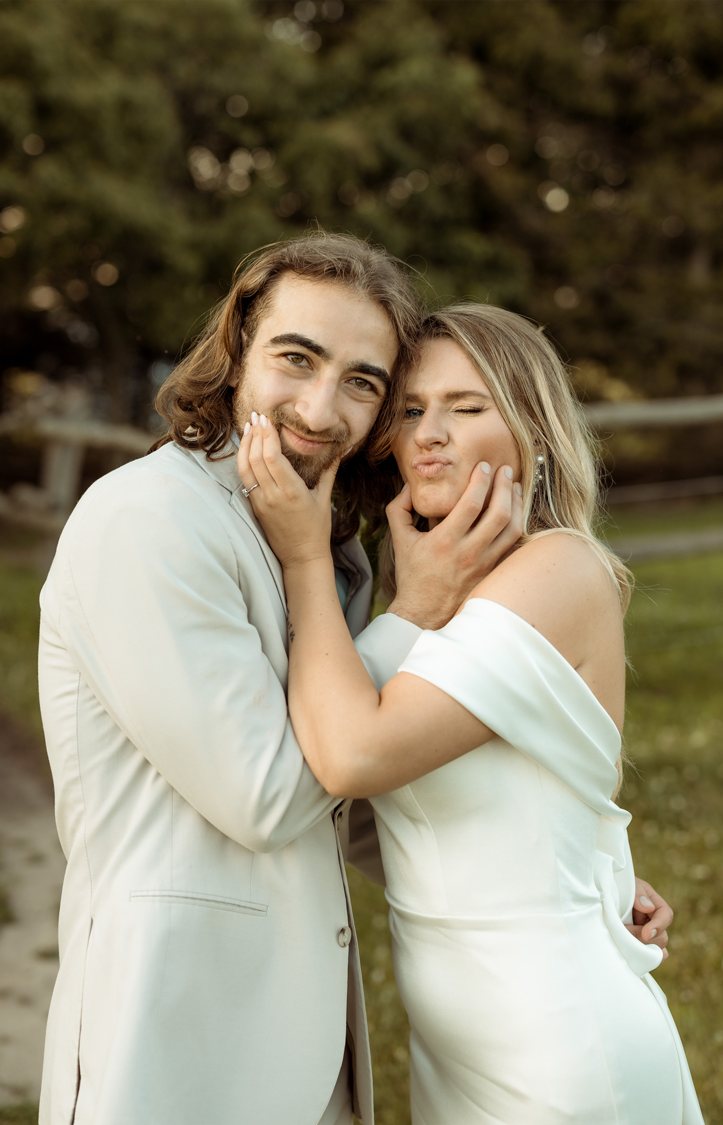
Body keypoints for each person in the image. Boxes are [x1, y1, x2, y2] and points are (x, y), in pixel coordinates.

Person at [35, 233, 673, 1125]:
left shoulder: (332, 553)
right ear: (235, 353)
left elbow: (368, 788)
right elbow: (271, 788)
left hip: (330, 1036)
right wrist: (409, 613)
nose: (322, 407)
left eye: (364, 383)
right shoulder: (147, 519)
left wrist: (577, 870)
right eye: (296, 359)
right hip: (180, 1022)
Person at [237, 303, 701, 1122]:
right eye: (411, 409)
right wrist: (599, 877)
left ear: (536, 430)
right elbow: (412, 803)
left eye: (468, 406)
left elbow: (351, 754)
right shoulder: (435, 588)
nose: (429, 433)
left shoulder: (556, 569)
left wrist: (306, 554)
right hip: (460, 1049)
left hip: (559, 1051)